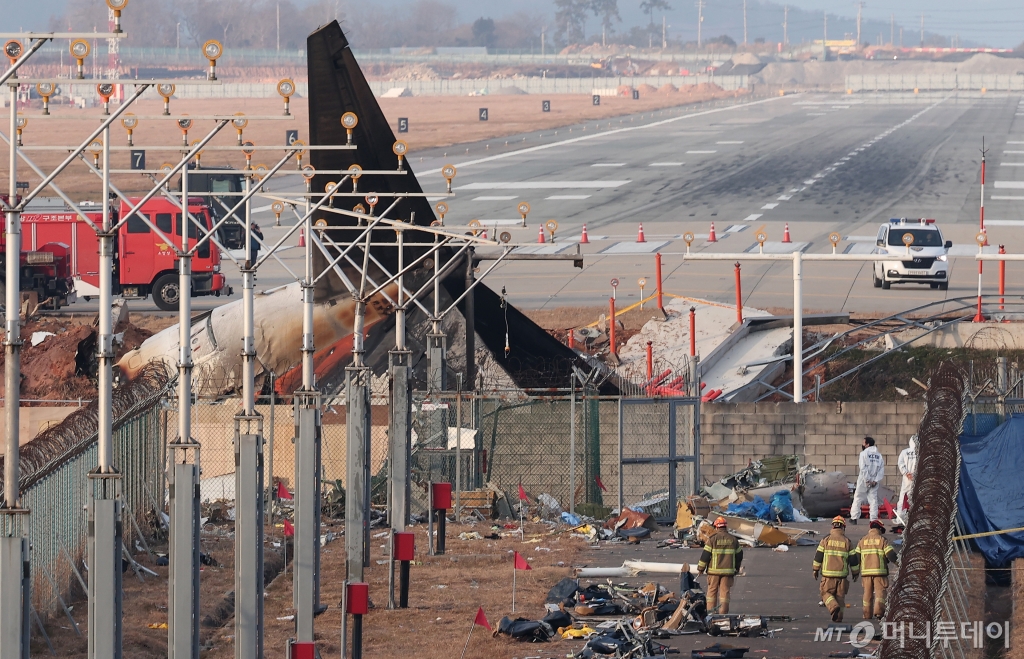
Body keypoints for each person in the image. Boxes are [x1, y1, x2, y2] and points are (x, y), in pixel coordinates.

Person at [851, 519, 899, 620]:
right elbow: (891, 555)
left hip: (866, 573)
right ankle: (879, 612)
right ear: (880, 529)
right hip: (879, 572)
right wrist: (899, 564)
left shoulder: (862, 541)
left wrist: (855, 572)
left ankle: (867, 614)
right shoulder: (882, 540)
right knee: (880, 593)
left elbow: (856, 558)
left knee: (867, 594)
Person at [813, 516, 859, 622]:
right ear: (843, 527)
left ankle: (833, 607)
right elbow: (853, 560)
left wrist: (815, 569)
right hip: (842, 576)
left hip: (828, 576)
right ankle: (838, 618)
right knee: (840, 597)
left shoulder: (826, 540)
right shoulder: (847, 541)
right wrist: (855, 573)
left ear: (833, 526)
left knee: (825, 593)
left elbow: (818, 556)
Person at [697, 517, 743, 614]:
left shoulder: (712, 539)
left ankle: (711, 613)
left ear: (716, 527)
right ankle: (723, 613)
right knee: (724, 593)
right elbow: (739, 555)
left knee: (712, 593)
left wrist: (700, 568)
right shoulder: (733, 539)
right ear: (725, 527)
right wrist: (736, 568)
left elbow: (705, 555)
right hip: (728, 572)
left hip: (713, 572)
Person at [850, 436, 884, 524]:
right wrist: (875, 480)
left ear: (867, 444)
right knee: (873, 500)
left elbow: (863, 468)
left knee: (858, 498)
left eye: (863, 443)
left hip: (863, 480)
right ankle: (873, 519)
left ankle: (854, 518)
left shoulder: (863, 454)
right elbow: (881, 469)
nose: (862, 444)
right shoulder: (879, 455)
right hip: (874, 481)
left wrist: (867, 480)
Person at [895, 435, 917, 526]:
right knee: (915, 499)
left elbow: (900, 463)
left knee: (902, 499)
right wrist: (915, 474)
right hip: (916, 479)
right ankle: (914, 520)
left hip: (906, 479)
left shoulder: (904, 452)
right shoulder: (920, 452)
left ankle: (900, 519)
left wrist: (906, 473)